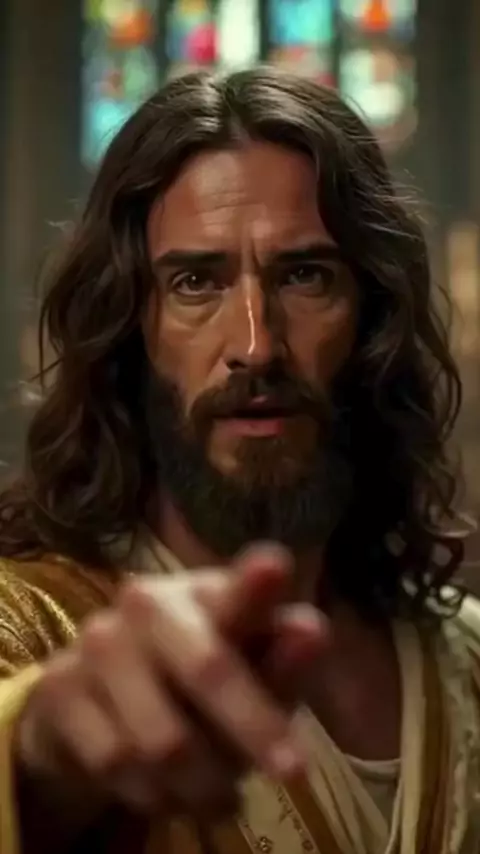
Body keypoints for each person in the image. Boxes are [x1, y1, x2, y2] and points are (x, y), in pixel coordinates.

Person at [0, 67, 478, 854]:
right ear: (132, 329)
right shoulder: (31, 629)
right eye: (196, 282)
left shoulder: (466, 659)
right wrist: (40, 757)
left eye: (305, 276)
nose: (256, 345)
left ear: (371, 319)